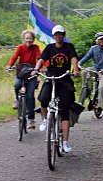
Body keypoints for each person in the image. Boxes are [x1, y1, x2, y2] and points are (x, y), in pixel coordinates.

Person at [33, 25, 79, 153]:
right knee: (43, 99)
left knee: (64, 110)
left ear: (64, 35)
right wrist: (36, 69)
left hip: (64, 79)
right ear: (54, 36)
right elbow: (42, 59)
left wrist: (75, 69)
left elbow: (74, 58)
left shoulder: (69, 47)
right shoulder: (49, 48)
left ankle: (65, 142)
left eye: (61, 34)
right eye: (57, 34)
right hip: (51, 78)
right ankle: (44, 120)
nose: (59, 36)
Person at [7, 29, 41, 129]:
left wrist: (38, 68)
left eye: (30, 38)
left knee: (30, 96)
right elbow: (14, 57)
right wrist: (9, 65)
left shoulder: (36, 48)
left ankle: (31, 120)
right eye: (27, 38)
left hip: (32, 73)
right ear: (23, 39)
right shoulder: (20, 47)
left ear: (33, 39)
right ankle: (17, 100)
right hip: (21, 72)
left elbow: (39, 58)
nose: (28, 40)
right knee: (17, 85)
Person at [78, 32, 103, 110]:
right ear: (97, 41)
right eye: (100, 39)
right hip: (95, 69)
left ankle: (100, 106)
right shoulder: (93, 49)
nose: (102, 40)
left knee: (101, 88)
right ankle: (85, 87)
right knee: (84, 71)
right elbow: (86, 57)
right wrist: (79, 63)